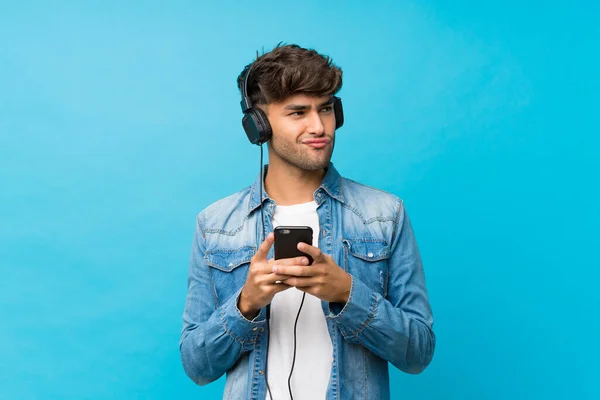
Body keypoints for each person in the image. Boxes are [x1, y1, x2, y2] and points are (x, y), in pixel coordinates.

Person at [179, 43, 435, 400]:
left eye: (326, 109)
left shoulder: (384, 214)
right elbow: (197, 366)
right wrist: (246, 304)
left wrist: (347, 293)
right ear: (259, 125)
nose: (319, 126)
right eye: (298, 113)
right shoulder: (217, 224)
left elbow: (418, 352)